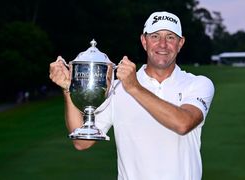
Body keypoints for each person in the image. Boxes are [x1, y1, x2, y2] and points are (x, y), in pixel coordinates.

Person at [49, 11, 215, 180]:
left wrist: (134, 87)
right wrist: (68, 89)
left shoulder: (198, 84)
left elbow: (183, 123)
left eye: (170, 37)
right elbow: (81, 142)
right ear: (144, 41)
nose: (162, 44)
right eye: (155, 36)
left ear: (181, 43)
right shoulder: (116, 88)